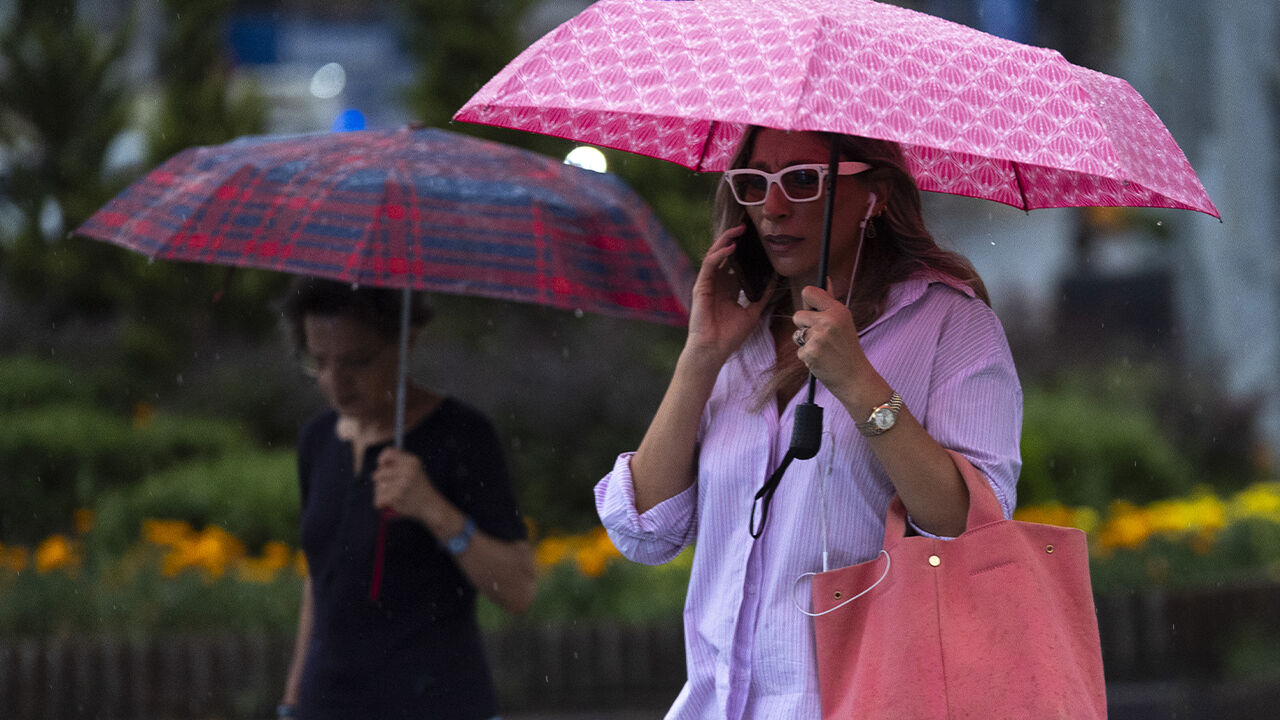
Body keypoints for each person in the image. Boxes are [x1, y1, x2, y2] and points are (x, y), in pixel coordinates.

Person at [594, 127, 1022, 718]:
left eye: (802, 180)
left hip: (866, 703)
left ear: (874, 195)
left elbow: (971, 523)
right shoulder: (739, 329)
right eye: (753, 182)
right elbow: (644, 531)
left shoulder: (950, 324)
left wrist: (857, 381)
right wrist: (701, 356)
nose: (772, 208)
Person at [277, 277, 536, 720]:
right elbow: (319, 579)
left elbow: (518, 590)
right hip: (328, 705)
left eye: (357, 361)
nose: (335, 382)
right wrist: (294, 697)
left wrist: (434, 509)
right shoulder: (317, 440)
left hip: (436, 701)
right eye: (318, 361)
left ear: (406, 341)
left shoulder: (462, 438)